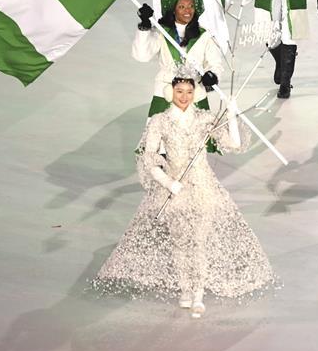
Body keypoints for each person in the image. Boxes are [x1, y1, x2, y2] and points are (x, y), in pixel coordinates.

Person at [95, 69, 275, 318]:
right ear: (171, 92)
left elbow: (233, 144)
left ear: (195, 93)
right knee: (180, 242)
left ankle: (199, 293)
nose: (184, 96)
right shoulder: (160, 121)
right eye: (179, 91)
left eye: (189, 92)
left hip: (202, 187)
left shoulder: (204, 119)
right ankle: (185, 290)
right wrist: (168, 183)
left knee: (198, 243)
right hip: (174, 189)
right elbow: (149, 159)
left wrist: (232, 114)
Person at [134, 0, 223, 118]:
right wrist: (145, 26)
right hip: (165, 94)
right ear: (174, 10)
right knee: (160, 135)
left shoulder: (204, 35)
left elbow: (216, 64)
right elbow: (142, 55)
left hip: (195, 94)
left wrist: (212, 76)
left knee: (198, 136)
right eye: (182, 7)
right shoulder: (162, 32)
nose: (188, 10)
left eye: (191, 6)